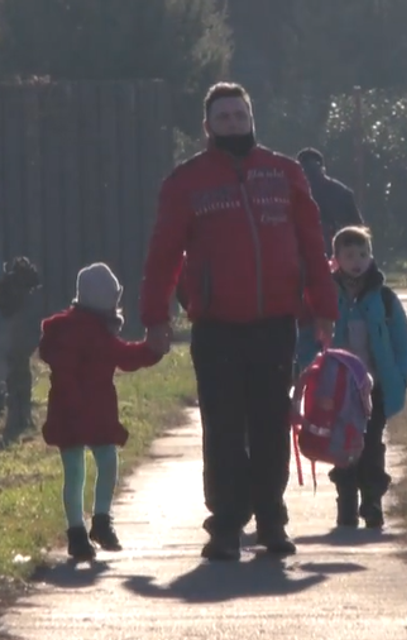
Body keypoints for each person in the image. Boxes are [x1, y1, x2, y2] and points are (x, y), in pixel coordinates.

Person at [139, 82, 338, 561]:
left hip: (274, 323)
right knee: (224, 427)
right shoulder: (186, 181)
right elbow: (163, 254)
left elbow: (313, 244)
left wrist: (324, 309)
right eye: (223, 117)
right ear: (207, 126)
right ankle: (226, 524)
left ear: (252, 117)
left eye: (240, 114)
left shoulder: (284, 173)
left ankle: (271, 519)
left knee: (271, 424)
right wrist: (155, 318)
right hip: (216, 326)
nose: (233, 123)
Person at [39, 262, 165, 562]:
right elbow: (125, 356)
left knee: (76, 473)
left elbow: (120, 355)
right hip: (86, 410)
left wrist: (150, 351)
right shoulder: (89, 332)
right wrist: (152, 351)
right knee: (105, 463)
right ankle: (97, 522)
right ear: (106, 300)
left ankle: (81, 532)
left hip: (76, 410)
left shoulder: (84, 330)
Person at [295, 225, 407, 529]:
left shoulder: (384, 298)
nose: (357, 260)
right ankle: (346, 499)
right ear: (336, 259)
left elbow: (402, 345)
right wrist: (310, 373)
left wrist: (398, 380)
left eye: (363, 253)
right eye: (349, 255)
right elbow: (308, 338)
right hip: (336, 390)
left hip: (373, 388)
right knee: (341, 445)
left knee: (371, 443)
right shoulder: (323, 297)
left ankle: (372, 501)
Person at [296, 148, 364, 257]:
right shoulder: (342, 192)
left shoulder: (291, 193)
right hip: (337, 254)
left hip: (327, 254)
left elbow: (358, 229)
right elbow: (359, 230)